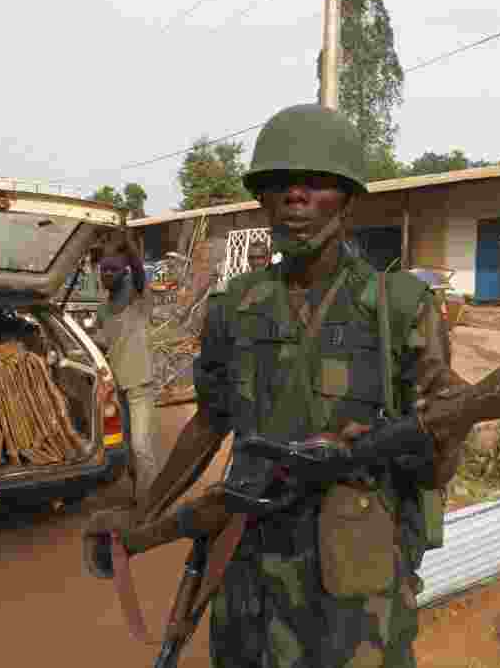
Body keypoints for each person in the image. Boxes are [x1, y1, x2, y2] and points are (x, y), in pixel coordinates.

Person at [85, 103, 468, 667]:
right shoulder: (235, 306)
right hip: (249, 555)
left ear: (349, 199)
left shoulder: (401, 308)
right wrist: (146, 517)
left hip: (351, 574)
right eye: (281, 186)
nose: (297, 200)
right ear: (263, 200)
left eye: (317, 185)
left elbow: (437, 461)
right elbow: (210, 421)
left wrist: (445, 430)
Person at [92, 227, 159, 504]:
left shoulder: (138, 294)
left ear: (125, 272)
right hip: (119, 385)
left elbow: (139, 270)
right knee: (128, 446)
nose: (107, 274)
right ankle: (138, 494)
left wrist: (127, 242)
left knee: (141, 446)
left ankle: (153, 500)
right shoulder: (102, 309)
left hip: (140, 383)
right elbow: (101, 345)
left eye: (113, 270)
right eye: (104, 271)